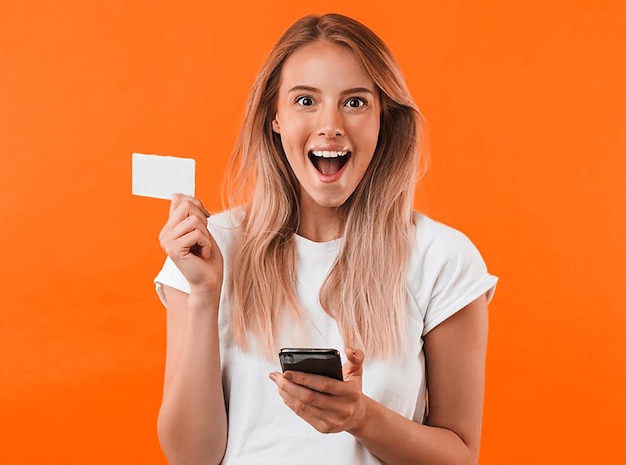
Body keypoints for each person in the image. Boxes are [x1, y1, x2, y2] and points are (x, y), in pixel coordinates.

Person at [154, 12, 497, 465]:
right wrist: (202, 293)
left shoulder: (443, 258)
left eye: (355, 102)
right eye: (305, 101)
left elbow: (460, 457)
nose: (330, 124)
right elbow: (189, 457)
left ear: (382, 120)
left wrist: (360, 418)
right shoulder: (211, 248)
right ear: (274, 118)